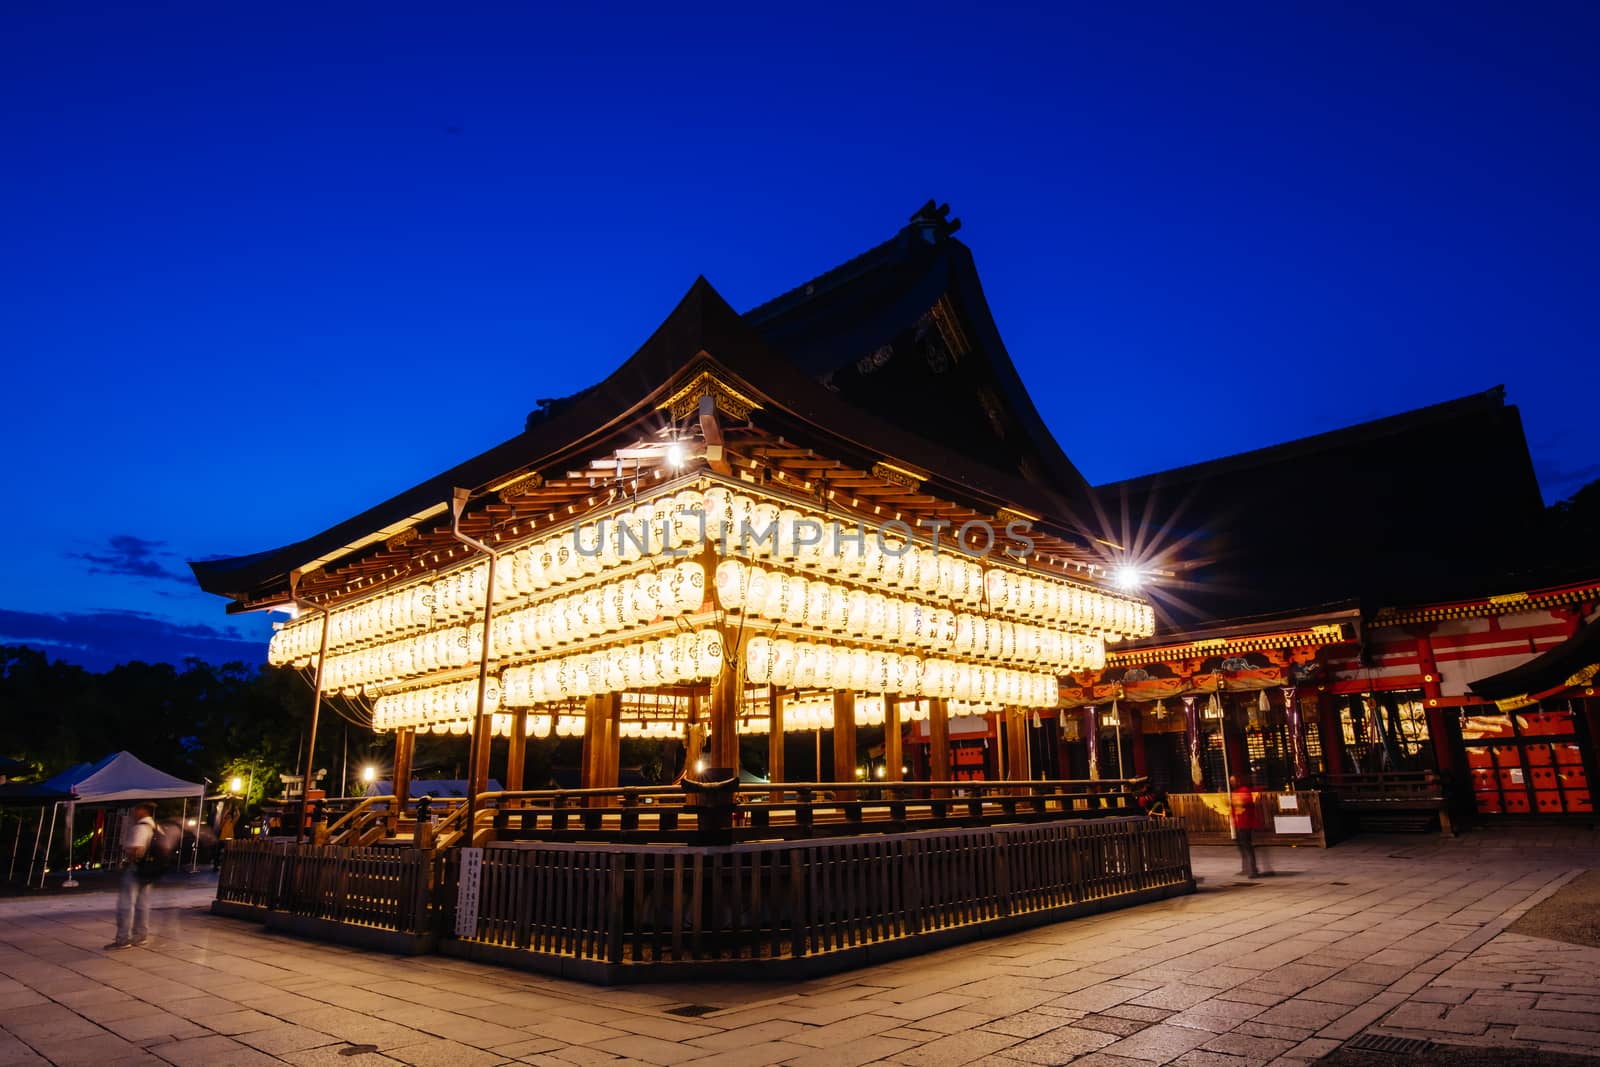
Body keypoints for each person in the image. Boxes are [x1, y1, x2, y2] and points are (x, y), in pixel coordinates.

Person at [107, 802, 158, 949]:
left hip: (136, 869)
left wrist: (128, 861)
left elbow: (137, 849)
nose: (134, 812)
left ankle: (123, 938)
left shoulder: (140, 828)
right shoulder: (154, 827)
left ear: (142, 810)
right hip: (149, 870)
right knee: (143, 904)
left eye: (136, 809)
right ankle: (140, 936)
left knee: (126, 903)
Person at [1229, 774, 1262, 878]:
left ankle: (1253, 870)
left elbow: (1246, 803)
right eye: (1231, 781)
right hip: (1239, 823)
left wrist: (1236, 804)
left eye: (1233, 781)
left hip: (1246, 823)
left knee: (1247, 847)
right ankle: (1247, 868)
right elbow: (1233, 809)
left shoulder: (1244, 791)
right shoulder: (1235, 793)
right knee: (1242, 846)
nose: (1232, 783)